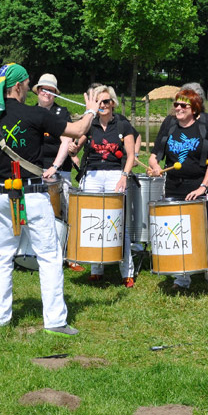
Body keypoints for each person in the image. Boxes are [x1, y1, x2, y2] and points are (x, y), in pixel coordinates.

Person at [0, 62, 99, 332]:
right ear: (17, 86)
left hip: (3, 195)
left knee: (2, 256)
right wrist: (91, 111)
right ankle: (55, 322)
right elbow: (77, 130)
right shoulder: (34, 115)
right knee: (49, 255)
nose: (29, 88)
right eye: (27, 83)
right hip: (33, 194)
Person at [148, 89, 208, 294]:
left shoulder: (206, 123)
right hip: (174, 186)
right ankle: (182, 278)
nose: (178, 109)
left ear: (195, 107)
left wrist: (203, 187)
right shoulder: (169, 124)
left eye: (183, 106)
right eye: (176, 105)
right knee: (179, 233)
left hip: (202, 186)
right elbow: (155, 155)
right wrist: (154, 165)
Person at [77, 84, 137, 287]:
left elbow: (130, 155)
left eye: (106, 101)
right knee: (93, 221)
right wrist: (71, 148)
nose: (102, 105)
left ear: (113, 103)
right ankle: (96, 269)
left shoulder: (122, 124)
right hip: (92, 174)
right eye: (99, 102)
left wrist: (124, 176)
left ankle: (126, 272)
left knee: (119, 223)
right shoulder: (90, 123)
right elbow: (76, 144)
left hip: (114, 174)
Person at [32, 73, 83, 271]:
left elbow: (66, 141)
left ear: (56, 95)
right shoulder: (29, 112)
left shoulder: (62, 113)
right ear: (37, 91)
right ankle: (34, 252)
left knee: (66, 211)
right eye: (44, 89)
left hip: (60, 170)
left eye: (51, 90)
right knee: (37, 212)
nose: (47, 93)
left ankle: (71, 255)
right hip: (35, 169)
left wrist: (55, 166)